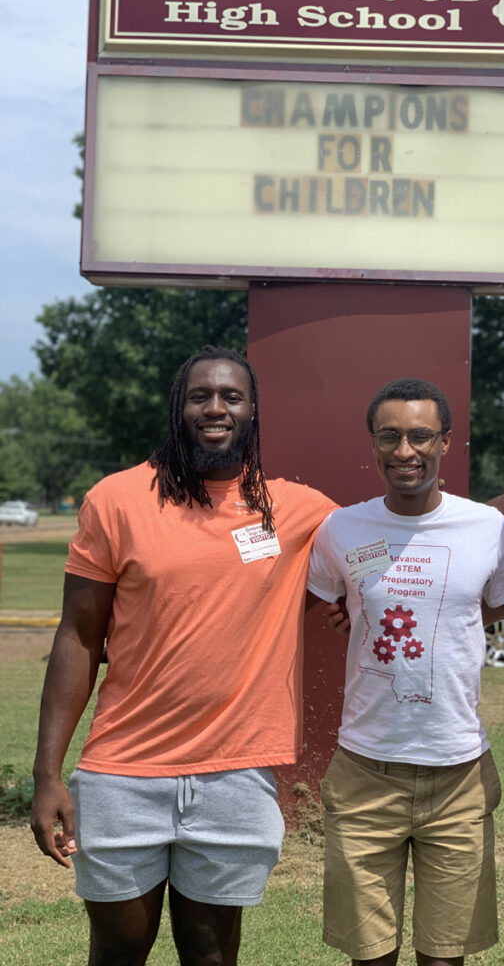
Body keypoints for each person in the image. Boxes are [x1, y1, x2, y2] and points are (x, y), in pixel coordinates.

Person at [29, 345, 338, 966]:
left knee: (209, 952)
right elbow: (79, 638)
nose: (215, 407)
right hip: (124, 771)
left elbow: (403, 535)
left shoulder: (296, 510)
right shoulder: (116, 501)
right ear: (179, 406)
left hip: (236, 771)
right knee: (118, 949)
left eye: (231, 396)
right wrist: (46, 775)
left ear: (253, 411)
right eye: (200, 395)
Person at [307, 377, 504, 966]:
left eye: (420, 436)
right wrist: (352, 611)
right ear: (373, 444)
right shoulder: (342, 530)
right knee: (369, 955)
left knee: (445, 957)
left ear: (446, 442)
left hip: (458, 775)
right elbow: (326, 599)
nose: (405, 450)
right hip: (364, 772)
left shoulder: (488, 529)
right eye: (390, 436)